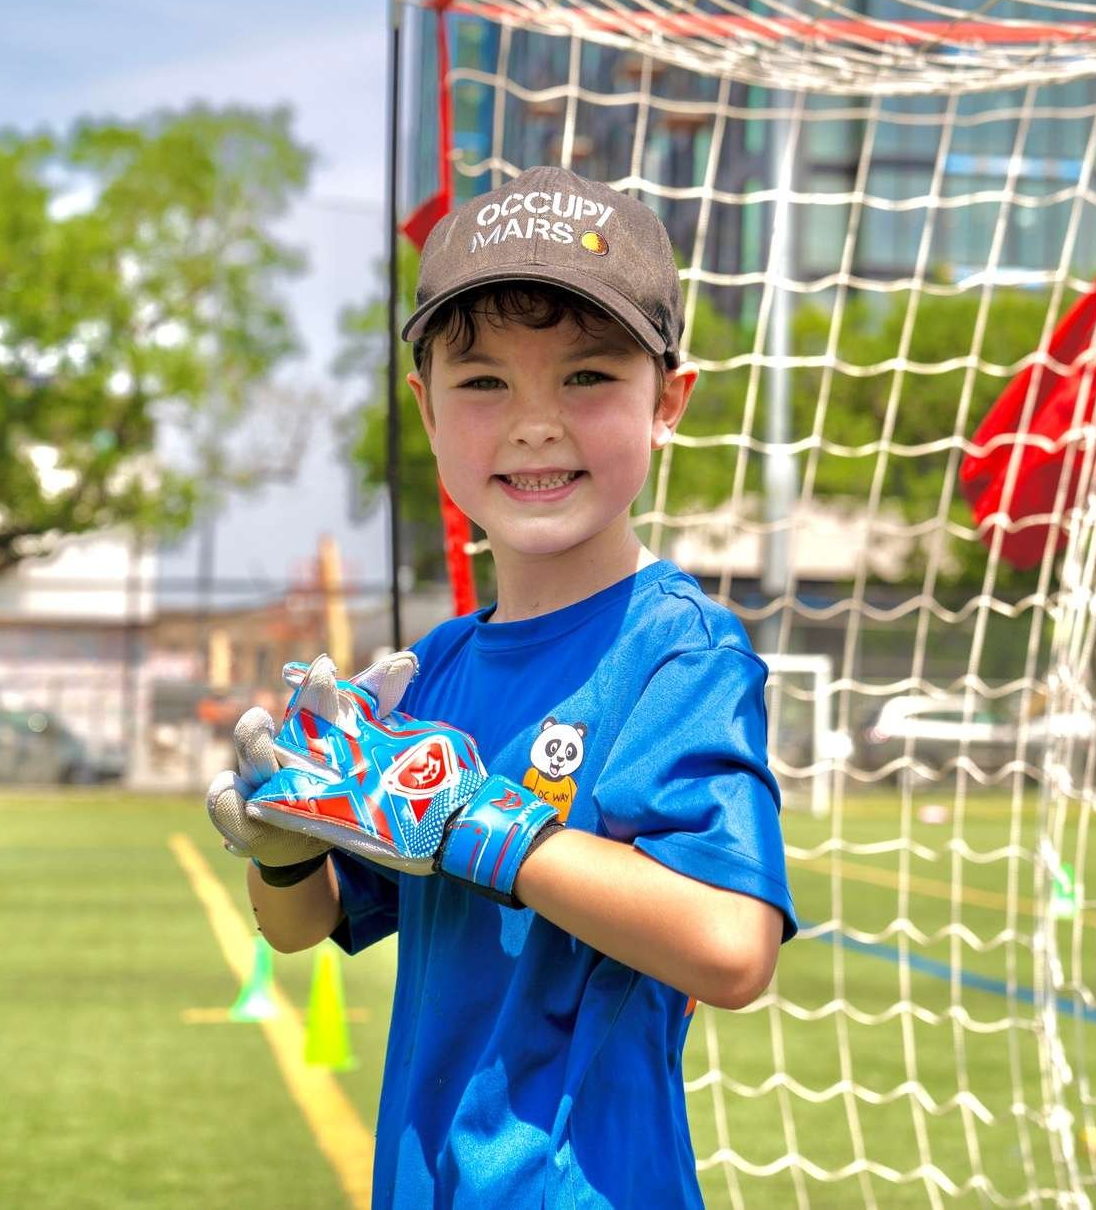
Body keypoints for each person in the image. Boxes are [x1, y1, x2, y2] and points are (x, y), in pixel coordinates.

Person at [206, 167, 797, 1208]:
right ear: (424, 409)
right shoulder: (434, 667)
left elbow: (730, 946)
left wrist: (477, 818)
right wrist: (290, 849)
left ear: (668, 402)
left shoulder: (679, 653)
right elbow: (309, 928)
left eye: (585, 377)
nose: (533, 423)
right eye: (482, 384)